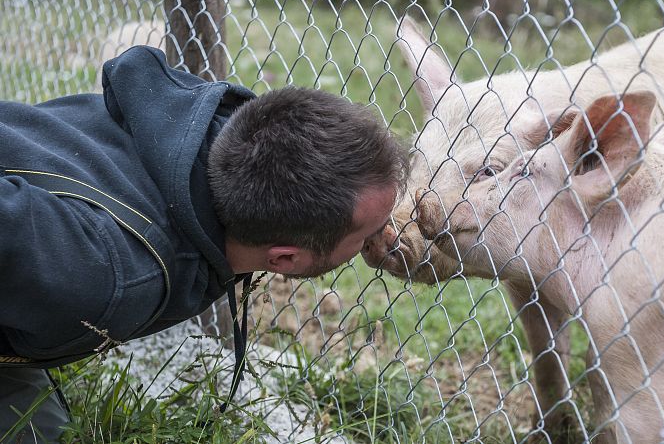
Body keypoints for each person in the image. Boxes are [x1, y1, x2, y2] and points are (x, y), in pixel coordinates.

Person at [0, 46, 407, 443]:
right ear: (284, 258)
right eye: (368, 232)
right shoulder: (105, 274)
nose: (386, 235)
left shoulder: (202, 135)